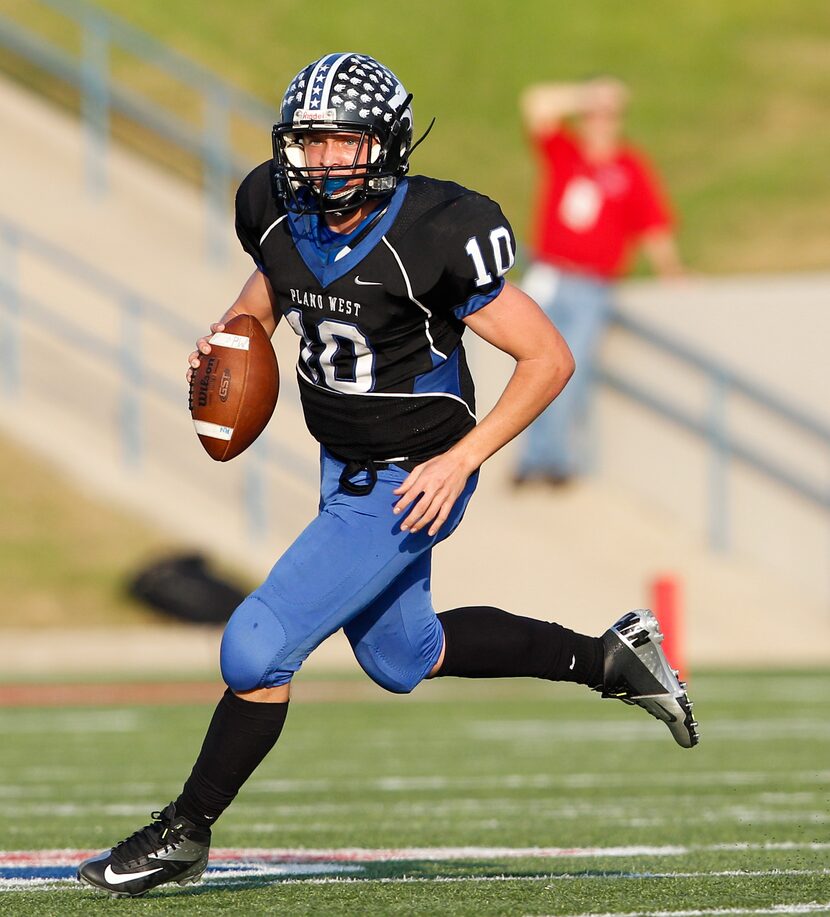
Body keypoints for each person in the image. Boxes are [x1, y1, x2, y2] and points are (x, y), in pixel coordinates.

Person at [77, 53, 699, 899]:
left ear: (385, 144)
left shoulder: (434, 231)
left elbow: (548, 357)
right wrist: (230, 336)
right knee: (406, 655)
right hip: (344, 464)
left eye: (341, 143)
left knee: (256, 647)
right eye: (308, 143)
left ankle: (184, 831)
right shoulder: (277, 210)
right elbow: (269, 292)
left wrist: (463, 458)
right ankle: (614, 661)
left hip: (413, 473)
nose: (320, 161)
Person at [514, 76, 684, 486]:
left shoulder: (629, 168)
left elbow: (653, 225)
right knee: (532, 367)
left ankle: (553, 459)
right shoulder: (568, 154)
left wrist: (672, 274)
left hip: (591, 285)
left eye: (606, 116)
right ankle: (534, 459)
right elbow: (535, 103)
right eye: (592, 115)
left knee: (569, 371)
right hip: (549, 275)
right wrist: (585, 93)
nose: (599, 123)